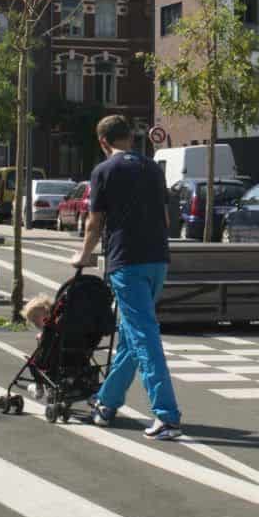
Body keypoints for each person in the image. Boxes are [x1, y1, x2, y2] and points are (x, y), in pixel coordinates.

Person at [71, 114, 183, 440]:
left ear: (103, 142)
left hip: (126, 261)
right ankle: (106, 403)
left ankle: (167, 416)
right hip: (158, 260)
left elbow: (95, 224)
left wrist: (83, 255)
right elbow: (164, 217)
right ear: (131, 138)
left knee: (144, 337)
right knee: (132, 338)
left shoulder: (104, 171)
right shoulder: (152, 168)